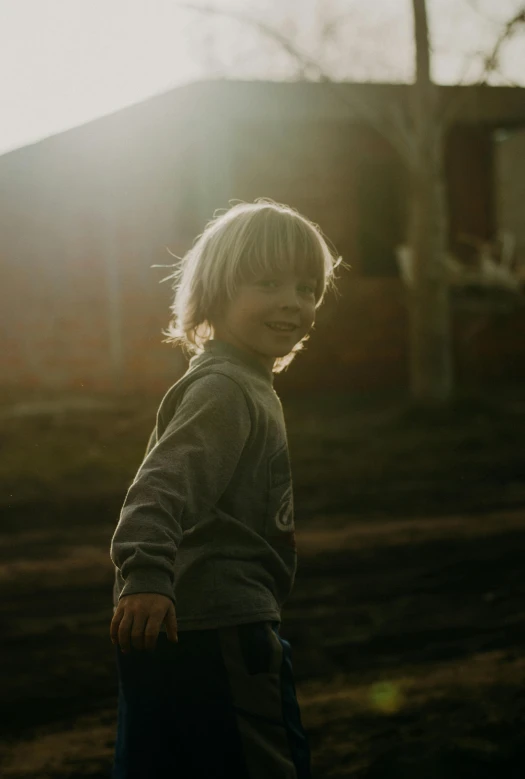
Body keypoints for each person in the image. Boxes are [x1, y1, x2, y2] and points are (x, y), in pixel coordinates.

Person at [109, 198, 342, 778]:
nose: (294, 301)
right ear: (216, 290)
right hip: (220, 632)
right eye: (268, 282)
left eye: (308, 288)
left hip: (185, 630)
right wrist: (144, 574)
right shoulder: (228, 390)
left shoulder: (236, 382)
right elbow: (161, 484)